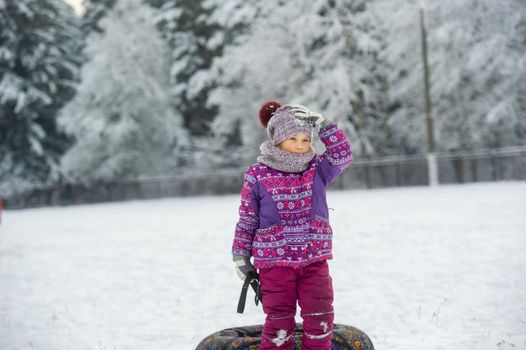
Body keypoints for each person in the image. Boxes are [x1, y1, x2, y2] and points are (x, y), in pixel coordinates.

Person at [232, 100, 353, 350]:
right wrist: (240, 255)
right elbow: (247, 218)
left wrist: (323, 125)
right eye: (293, 138)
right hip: (274, 264)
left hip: (313, 259)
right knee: (278, 322)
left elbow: (343, 155)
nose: (300, 145)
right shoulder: (258, 174)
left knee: (320, 319)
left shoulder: (317, 169)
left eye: (305, 139)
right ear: (277, 139)